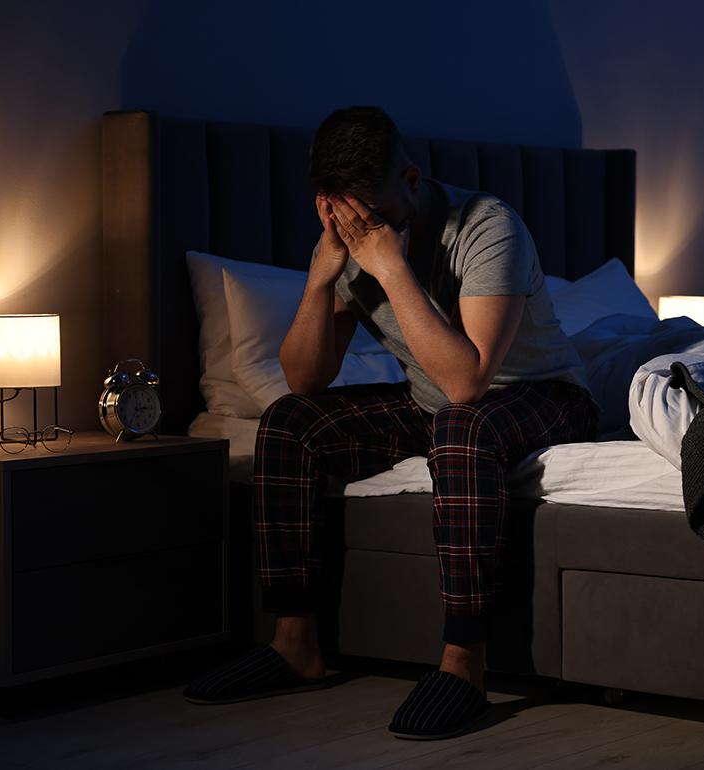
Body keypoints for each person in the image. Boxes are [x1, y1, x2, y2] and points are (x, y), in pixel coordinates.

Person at [183, 106, 597, 739]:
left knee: (461, 426)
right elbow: (304, 380)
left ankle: (464, 663)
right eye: (343, 216)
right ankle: (296, 644)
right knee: (291, 422)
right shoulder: (346, 239)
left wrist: (392, 266)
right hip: (432, 401)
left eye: (372, 216)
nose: (359, 229)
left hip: (545, 397)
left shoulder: (488, 226)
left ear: (411, 179)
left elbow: (468, 381)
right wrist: (321, 282)